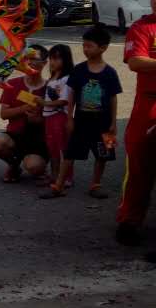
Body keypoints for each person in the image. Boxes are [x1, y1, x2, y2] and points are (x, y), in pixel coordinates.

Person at [42, 25, 120, 200]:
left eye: (89, 46)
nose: (85, 49)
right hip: (81, 120)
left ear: (103, 47)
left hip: (104, 122)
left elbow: (113, 97)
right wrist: (70, 118)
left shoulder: (110, 72)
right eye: (84, 45)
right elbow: (72, 94)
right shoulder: (79, 70)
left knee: (104, 154)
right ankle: (58, 186)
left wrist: (114, 123)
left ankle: (96, 184)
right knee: (70, 152)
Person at [117, 0, 156, 250]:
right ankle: (129, 221)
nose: (155, 1)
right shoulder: (142, 27)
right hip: (149, 105)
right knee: (139, 163)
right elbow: (135, 61)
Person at [0, 44, 49, 182]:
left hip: (38, 140)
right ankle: (14, 165)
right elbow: (3, 114)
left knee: (34, 166)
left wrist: (38, 119)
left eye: (34, 59)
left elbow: (55, 119)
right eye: (27, 58)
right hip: (15, 135)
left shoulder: (50, 87)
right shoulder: (13, 84)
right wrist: (23, 109)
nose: (30, 62)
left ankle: (39, 166)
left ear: (44, 63)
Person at [41, 43, 74, 190]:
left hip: (59, 116)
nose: (53, 62)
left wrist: (43, 103)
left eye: (57, 59)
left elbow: (64, 100)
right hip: (49, 117)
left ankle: (66, 177)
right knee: (52, 148)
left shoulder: (66, 78)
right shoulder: (53, 78)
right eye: (51, 59)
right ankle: (54, 175)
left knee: (62, 148)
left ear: (66, 60)